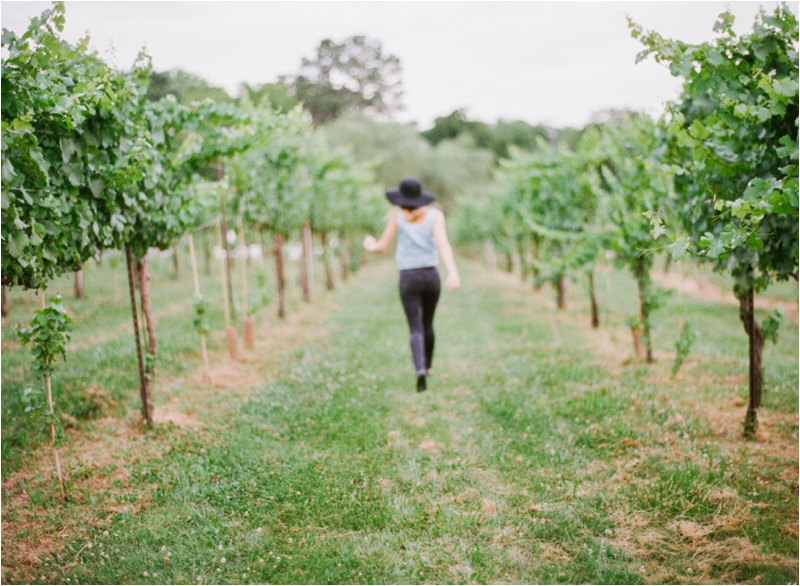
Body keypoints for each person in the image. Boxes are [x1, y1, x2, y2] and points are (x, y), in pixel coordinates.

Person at [363, 178, 461, 392]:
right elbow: (443, 243)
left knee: (414, 327)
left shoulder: (398, 216)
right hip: (431, 275)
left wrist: (371, 246)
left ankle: (418, 368)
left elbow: (383, 246)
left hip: (408, 277)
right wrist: (452, 272)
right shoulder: (436, 216)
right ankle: (428, 367)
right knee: (428, 323)